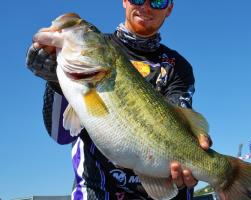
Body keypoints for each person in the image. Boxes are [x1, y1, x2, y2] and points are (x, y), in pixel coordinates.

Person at [26, 0, 212, 199]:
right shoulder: (102, 46)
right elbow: (61, 135)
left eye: (158, 1)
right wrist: (54, 82)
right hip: (98, 189)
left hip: (163, 182)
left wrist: (197, 150)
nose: (146, 7)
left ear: (169, 8)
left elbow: (178, 125)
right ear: (124, 1)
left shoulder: (178, 67)